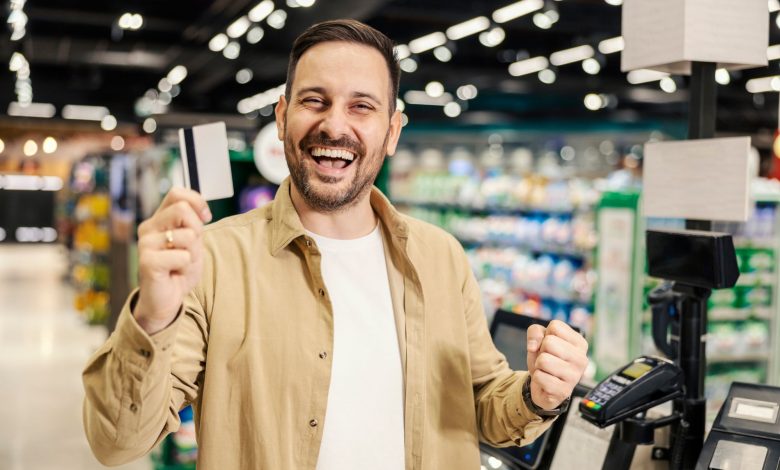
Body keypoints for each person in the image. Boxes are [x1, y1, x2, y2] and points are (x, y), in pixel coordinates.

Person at [82, 19, 589, 470]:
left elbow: (482, 402)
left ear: (391, 131)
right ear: (282, 117)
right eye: (313, 100)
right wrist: (151, 318)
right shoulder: (214, 259)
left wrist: (536, 394)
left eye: (361, 106)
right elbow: (119, 442)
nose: (334, 125)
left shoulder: (440, 256)